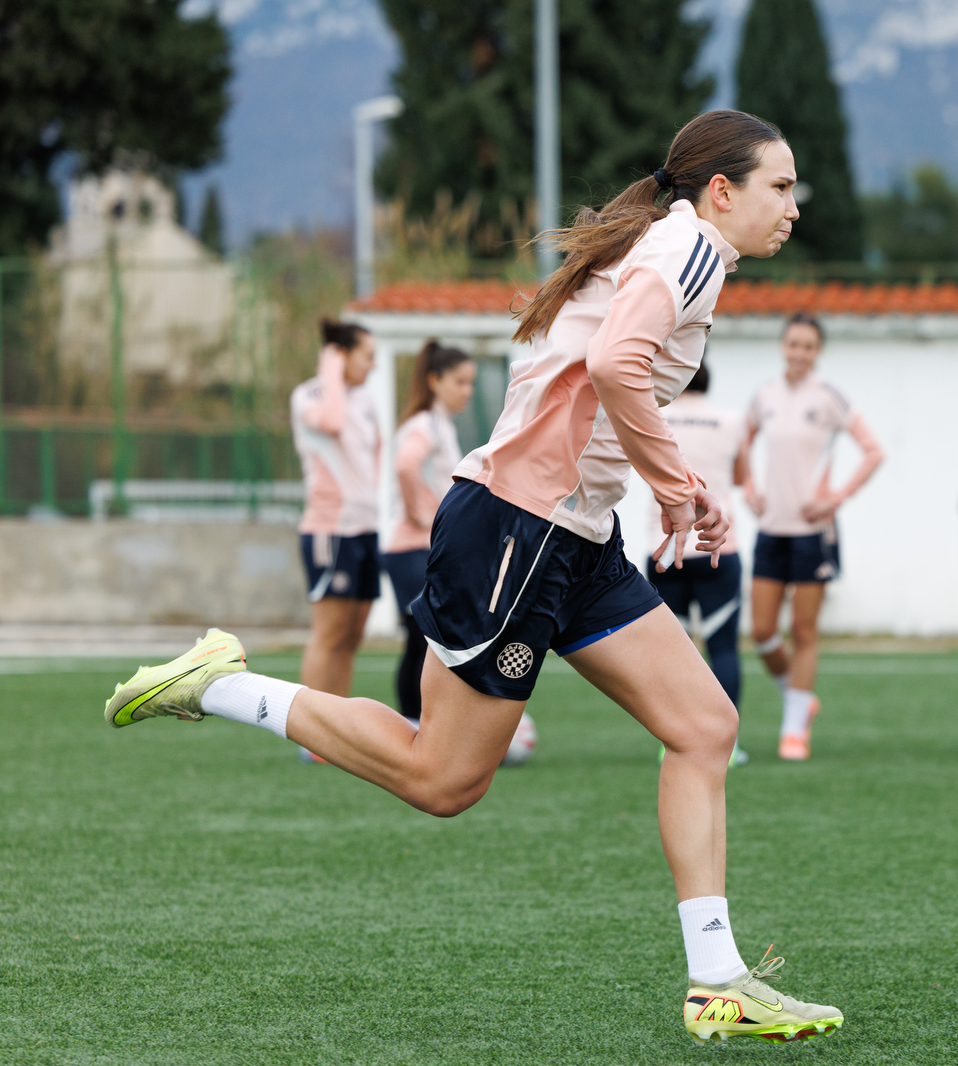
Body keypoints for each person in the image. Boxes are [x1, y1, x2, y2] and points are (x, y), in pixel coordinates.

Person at [100, 109, 842, 1046]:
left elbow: (588, 382)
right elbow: (615, 365)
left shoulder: (675, 250)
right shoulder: (687, 245)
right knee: (443, 778)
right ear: (721, 190)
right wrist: (682, 486)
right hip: (515, 534)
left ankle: (716, 981)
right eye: (780, 187)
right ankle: (221, 685)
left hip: (573, 537)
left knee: (705, 725)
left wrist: (656, 494)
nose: (794, 207)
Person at [743, 312, 883, 762]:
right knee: (762, 631)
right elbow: (740, 445)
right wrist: (749, 490)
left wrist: (836, 498)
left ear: (817, 351)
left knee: (804, 631)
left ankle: (793, 730)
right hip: (770, 531)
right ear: (783, 346)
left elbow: (874, 451)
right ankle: (798, 697)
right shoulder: (764, 396)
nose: (799, 352)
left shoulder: (829, 398)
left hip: (812, 534)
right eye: (793, 344)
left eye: (808, 346)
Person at [649, 359, 751, 767]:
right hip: (717, 548)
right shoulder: (731, 421)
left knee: (668, 652)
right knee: (723, 647)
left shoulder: (655, 418)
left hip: (663, 547)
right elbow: (742, 476)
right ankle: (727, 745)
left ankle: (671, 741)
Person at [290, 320, 380, 742]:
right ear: (340, 355)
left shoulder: (363, 400)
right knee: (328, 633)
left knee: (353, 633)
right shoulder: (310, 395)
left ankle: (338, 733)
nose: (373, 365)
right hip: (330, 532)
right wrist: (331, 366)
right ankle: (312, 735)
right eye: (367, 356)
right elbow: (330, 421)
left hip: (365, 530)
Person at [383, 339, 475, 720]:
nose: (467, 391)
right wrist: (421, 513)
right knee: (422, 640)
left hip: (423, 549)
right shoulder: (426, 425)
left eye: (471, 383)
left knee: (431, 639)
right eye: (459, 382)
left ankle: (425, 722)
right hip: (410, 549)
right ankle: (412, 721)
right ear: (434, 381)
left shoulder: (440, 425)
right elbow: (406, 465)